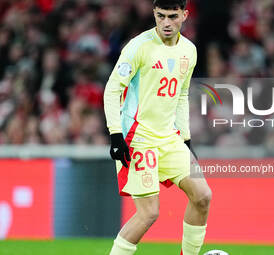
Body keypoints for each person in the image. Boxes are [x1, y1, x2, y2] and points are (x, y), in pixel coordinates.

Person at [103, 1, 212, 254]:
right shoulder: (138, 47)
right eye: (160, 16)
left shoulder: (189, 50)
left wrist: (185, 140)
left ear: (184, 15)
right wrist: (116, 135)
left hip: (168, 137)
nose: (166, 22)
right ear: (154, 14)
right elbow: (112, 90)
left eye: (172, 16)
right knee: (149, 213)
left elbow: (182, 96)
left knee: (202, 196)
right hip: (137, 137)